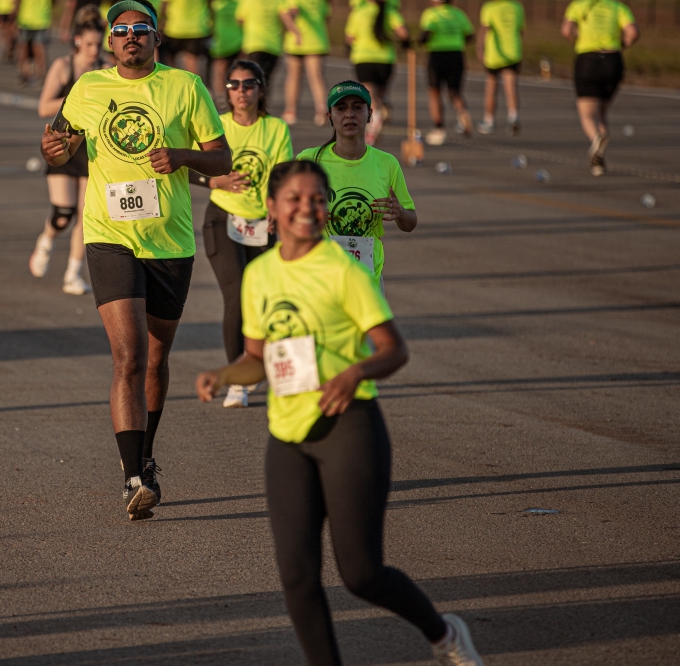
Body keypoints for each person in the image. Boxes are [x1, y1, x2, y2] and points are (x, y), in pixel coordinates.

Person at [194, 159, 482, 666]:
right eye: (295, 199)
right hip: (288, 438)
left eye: (317, 199)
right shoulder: (259, 275)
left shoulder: (344, 272)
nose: (308, 208)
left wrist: (353, 374)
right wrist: (223, 375)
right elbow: (256, 358)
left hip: (349, 429)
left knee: (361, 574)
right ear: (272, 208)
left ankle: (444, 633)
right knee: (297, 575)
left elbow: (394, 350)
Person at [40, 0, 231, 521]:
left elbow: (222, 159)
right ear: (109, 41)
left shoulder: (185, 87)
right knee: (129, 357)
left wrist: (183, 156)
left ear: (156, 38)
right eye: (121, 30)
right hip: (109, 237)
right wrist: (55, 151)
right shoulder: (88, 87)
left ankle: (145, 456)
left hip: (170, 242)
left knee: (156, 360)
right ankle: (132, 477)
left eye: (140, 29)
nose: (131, 37)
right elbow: (58, 142)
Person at [193, 60, 292, 408]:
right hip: (223, 220)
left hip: (264, 224)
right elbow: (186, 166)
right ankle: (238, 381)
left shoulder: (276, 129)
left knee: (263, 302)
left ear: (261, 89)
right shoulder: (216, 125)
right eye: (233, 85)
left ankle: (263, 366)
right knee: (237, 295)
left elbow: (283, 174)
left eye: (248, 84)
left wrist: (277, 205)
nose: (241, 91)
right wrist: (214, 181)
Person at [298, 81, 416, 288]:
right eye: (341, 108)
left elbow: (410, 223)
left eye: (357, 107)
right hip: (319, 278)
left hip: (367, 280)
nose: (349, 114)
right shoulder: (309, 161)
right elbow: (286, 215)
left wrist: (400, 212)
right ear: (330, 116)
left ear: (370, 114)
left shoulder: (387, 163)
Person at [32, 5, 107, 296]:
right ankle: (47, 238)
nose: (93, 51)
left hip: (93, 149)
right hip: (64, 144)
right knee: (64, 213)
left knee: (86, 217)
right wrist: (77, 98)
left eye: (98, 45)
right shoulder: (64, 67)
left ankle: (72, 273)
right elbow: (44, 107)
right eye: (88, 45)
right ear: (77, 41)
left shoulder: (106, 69)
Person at [561, 0, 638, 177]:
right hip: (613, 61)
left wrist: (577, 40)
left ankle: (596, 138)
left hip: (588, 60)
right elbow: (633, 33)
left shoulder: (579, 5)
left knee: (587, 114)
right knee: (602, 112)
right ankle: (598, 162)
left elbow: (566, 30)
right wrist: (622, 45)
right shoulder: (618, 7)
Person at [344, 0, 408, 145]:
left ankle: (375, 118)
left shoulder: (358, 12)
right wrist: (405, 43)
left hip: (364, 57)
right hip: (385, 59)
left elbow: (349, 37)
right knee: (379, 92)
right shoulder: (390, 12)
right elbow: (403, 33)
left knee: (369, 92)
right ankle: (381, 107)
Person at [419, 0, 475, 142]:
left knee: (434, 92)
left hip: (437, 55)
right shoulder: (458, 14)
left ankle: (439, 128)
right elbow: (470, 35)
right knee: (454, 91)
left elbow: (426, 33)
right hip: (456, 54)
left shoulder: (432, 13)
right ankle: (462, 112)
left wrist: (420, 41)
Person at [282, 0, 331, 126]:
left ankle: (291, 111)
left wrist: (294, 30)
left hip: (297, 41)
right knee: (316, 78)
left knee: (293, 77)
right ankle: (322, 111)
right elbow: (326, 16)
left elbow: (291, 12)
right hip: (317, 41)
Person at [235, 0, 299, 87]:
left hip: (254, 43)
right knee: (266, 79)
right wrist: (296, 33)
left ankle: (257, 99)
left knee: (254, 79)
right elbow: (286, 18)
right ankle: (264, 98)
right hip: (273, 44)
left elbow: (240, 19)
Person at [477, 0, 524, 135]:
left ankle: (489, 120)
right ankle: (513, 117)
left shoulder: (490, 7)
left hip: (494, 53)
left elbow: (484, 29)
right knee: (511, 86)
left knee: (491, 87)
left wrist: (480, 47)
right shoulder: (517, 7)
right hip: (513, 51)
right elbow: (520, 30)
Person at [12, 0, 57, 86]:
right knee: (40, 48)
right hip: (42, 18)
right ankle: (41, 75)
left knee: (23, 47)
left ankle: (24, 74)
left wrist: (14, 17)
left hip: (25, 19)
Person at [208, 0, 241, 107]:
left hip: (220, 40)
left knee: (219, 71)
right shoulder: (237, 3)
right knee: (234, 70)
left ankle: (220, 96)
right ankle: (233, 95)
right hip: (237, 39)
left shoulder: (216, 5)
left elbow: (209, 21)